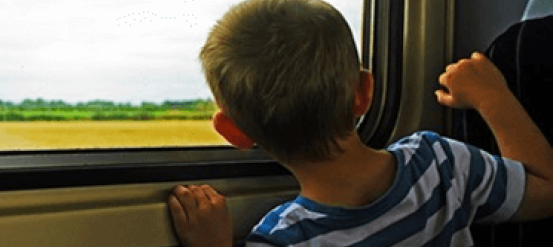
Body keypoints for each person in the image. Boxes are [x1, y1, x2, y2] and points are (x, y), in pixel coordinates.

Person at [166, 0, 553, 246]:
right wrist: (493, 96)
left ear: (233, 132)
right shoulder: (440, 163)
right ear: (364, 92)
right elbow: (547, 191)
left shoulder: (284, 238)